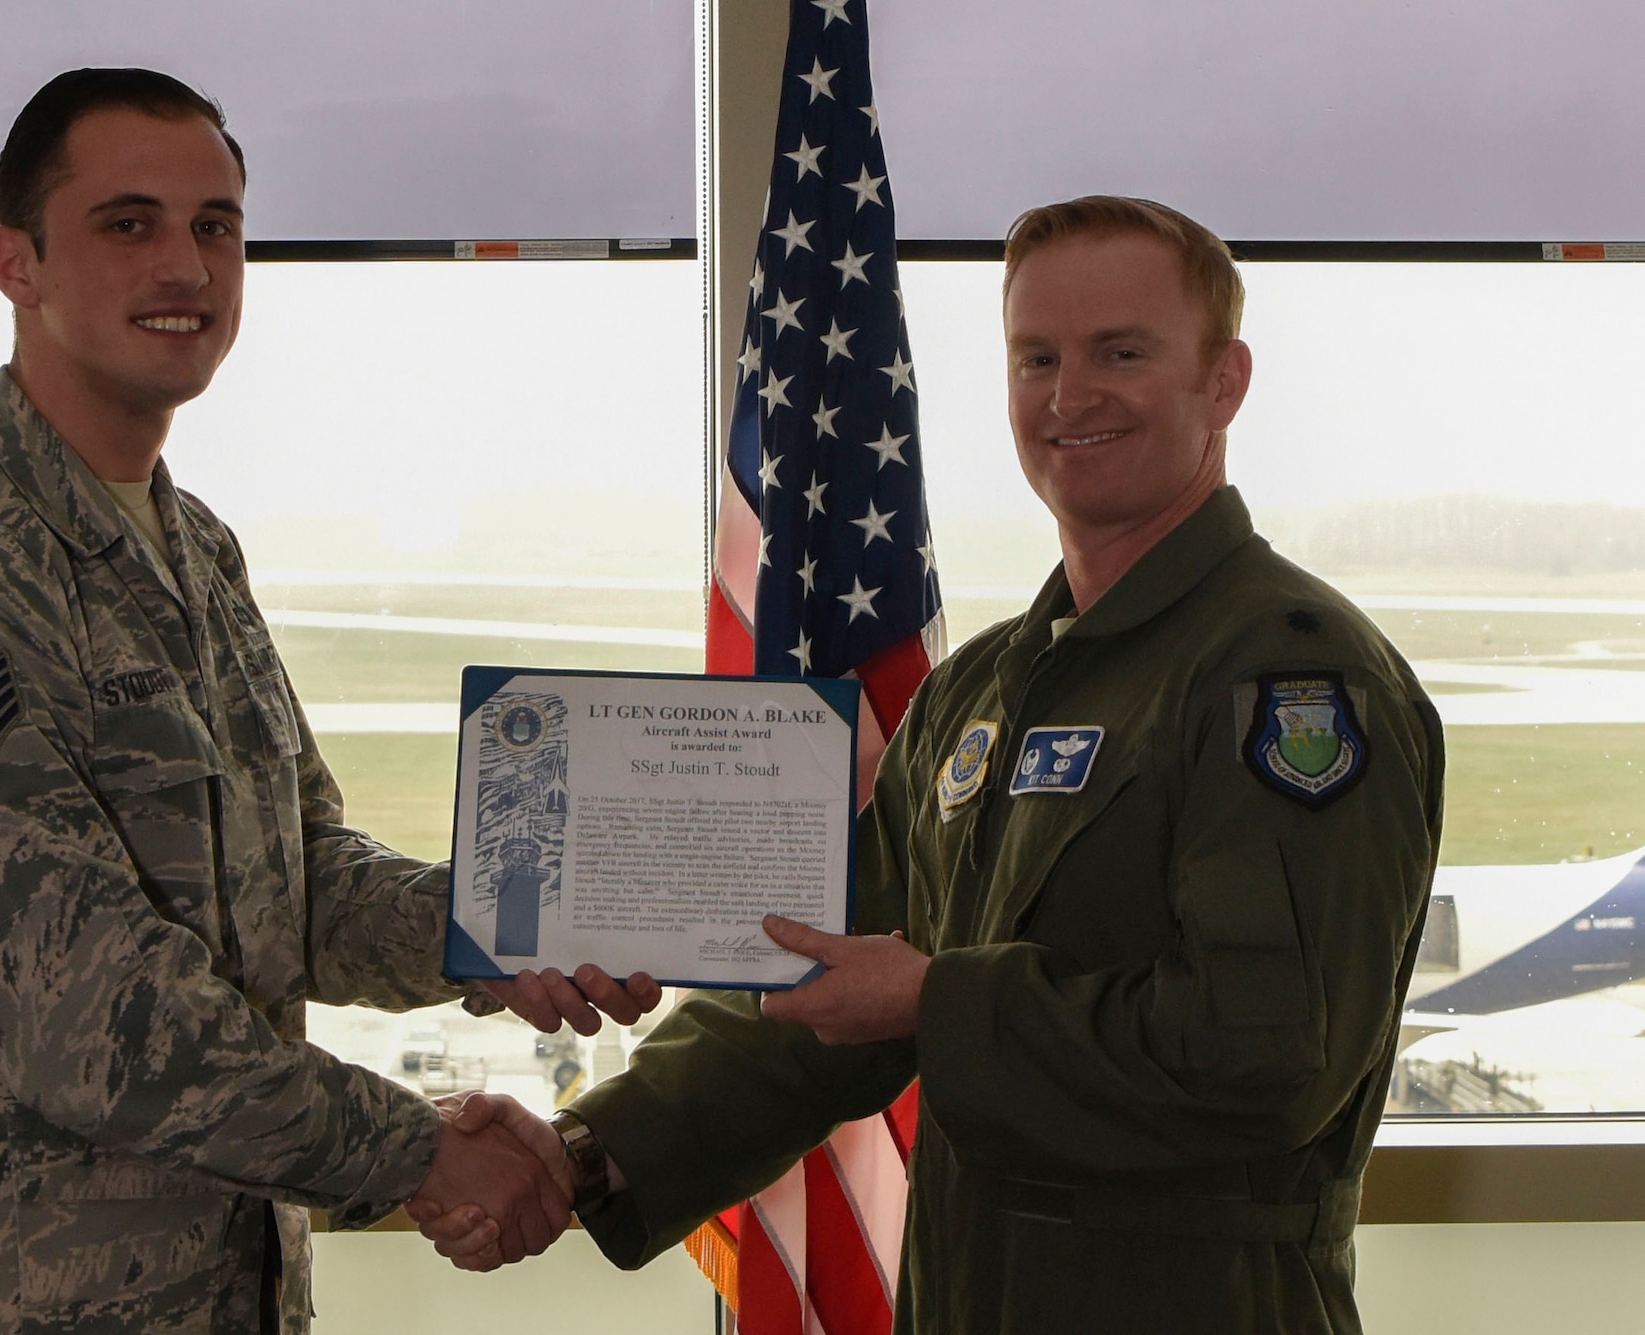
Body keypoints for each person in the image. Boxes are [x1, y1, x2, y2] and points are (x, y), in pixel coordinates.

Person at [419, 196, 1445, 1334]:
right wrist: (584, 1154)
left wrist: (934, 999)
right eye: (1035, 357)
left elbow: (1265, 1057)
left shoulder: (1284, 680)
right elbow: (816, 986)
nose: (1069, 396)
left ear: (1222, 383)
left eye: (1121, 353)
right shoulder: (981, 693)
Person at [0, 67, 651, 1334]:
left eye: (216, 225)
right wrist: (420, 1148)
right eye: (127, 223)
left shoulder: (192, 548)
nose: (186, 267)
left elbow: (299, 883)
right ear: (14, 264)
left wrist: (500, 926)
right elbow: (90, 1010)